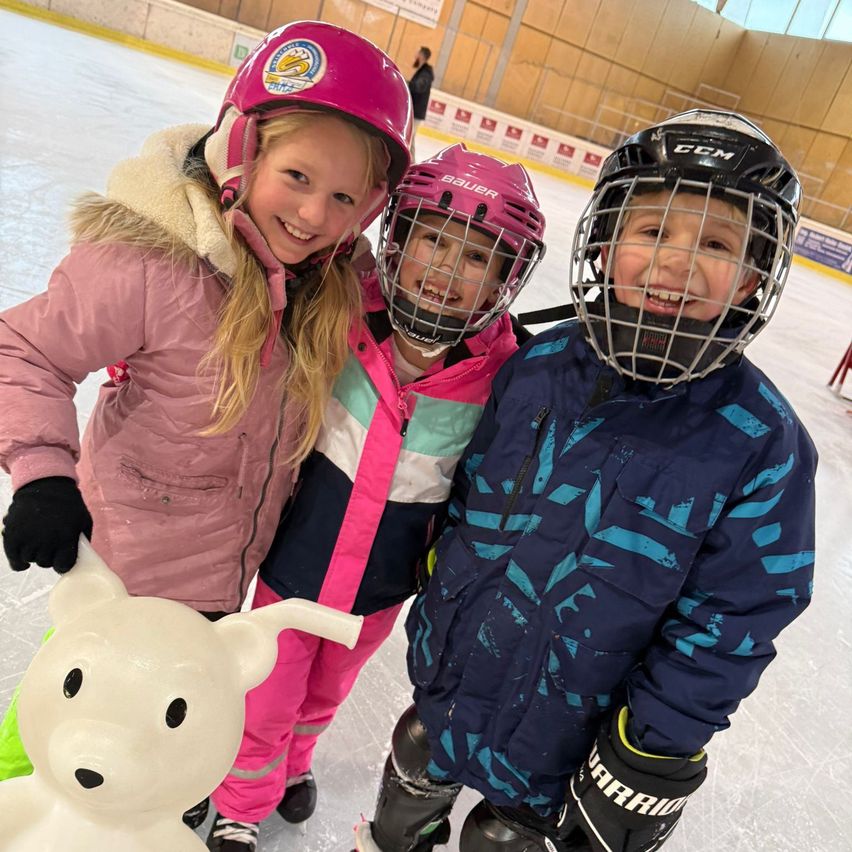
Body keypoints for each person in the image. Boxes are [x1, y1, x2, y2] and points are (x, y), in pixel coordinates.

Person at [354, 110, 817, 852]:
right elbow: (469, 502)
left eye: (718, 244)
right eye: (653, 231)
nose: (675, 263)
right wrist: (441, 604)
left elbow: (737, 618)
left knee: (503, 838)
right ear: (604, 242)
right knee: (414, 763)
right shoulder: (534, 369)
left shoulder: (762, 441)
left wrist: (651, 750)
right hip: (454, 678)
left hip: (572, 734)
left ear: (755, 276)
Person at [0, 18, 411, 821]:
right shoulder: (155, 265)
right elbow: (23, 350)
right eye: (296, 175)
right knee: (59, 732)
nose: (314, 213)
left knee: (158, 742)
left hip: (224, 583)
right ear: (243, 152)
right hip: (120, 576)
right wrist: (43, 475)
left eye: (343, 197)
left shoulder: (326, 290)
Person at [205, 142, 547, 852]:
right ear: (398, 237)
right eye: (432, 240)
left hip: (379, 590)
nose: (448, 270)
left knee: (323, 697)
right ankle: (241, 801)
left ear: (504, 279)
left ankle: (293, 767)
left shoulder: (504, 376)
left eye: (477, 257)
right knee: (266, 695)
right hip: (293, 567)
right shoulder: (342, 309)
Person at [408, 47, 434, 159]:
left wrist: (407, 83)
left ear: (421, 55)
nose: (415, 54)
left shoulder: (425, 73)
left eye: (417, 52)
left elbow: (419, 87)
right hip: (415, 110)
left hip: (417, 111)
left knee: (409, 137)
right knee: (410, 137)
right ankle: (411, 162)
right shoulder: (423, 71)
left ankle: (411, 162)